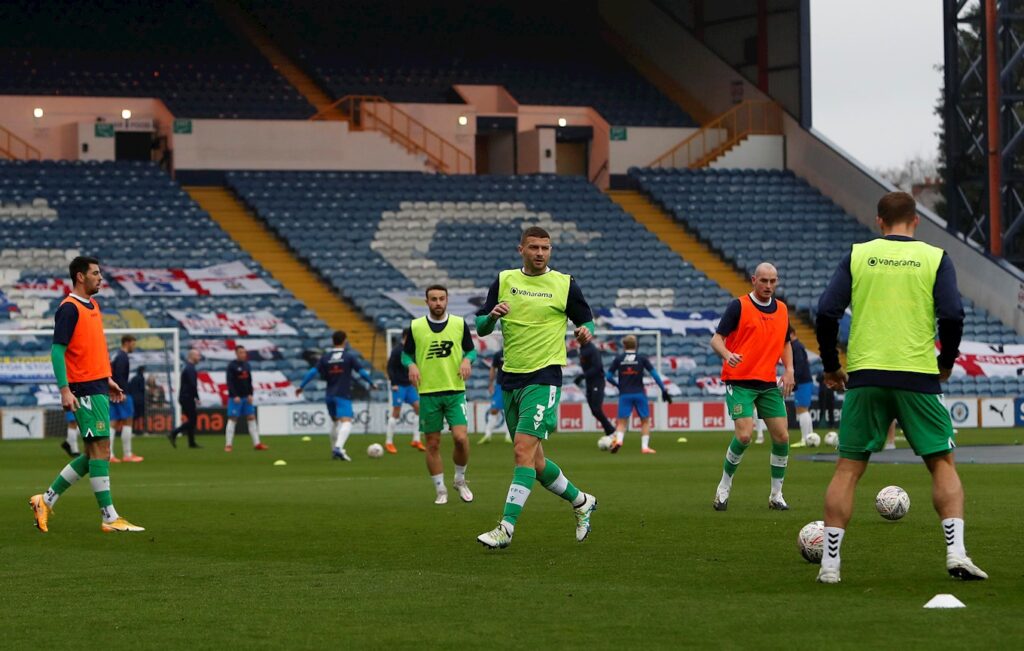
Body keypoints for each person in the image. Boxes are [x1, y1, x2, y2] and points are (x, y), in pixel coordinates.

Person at [815, 191, 986, 583]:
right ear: (916, 221)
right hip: (917, 377)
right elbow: (953, 314)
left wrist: (831, 365)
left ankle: (829, 565)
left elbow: (826, 311)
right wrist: (946, 362)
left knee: (847, 470)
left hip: (865, 376)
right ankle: (956, 553)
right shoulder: (935, 258)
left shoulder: (858, 255)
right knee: (941, 463)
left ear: (879, 221)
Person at [475, 226, 598, 549]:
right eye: (534, 247)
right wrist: (491, 315)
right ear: (521, 250)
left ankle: (506, 528)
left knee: (521, 451)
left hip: (544, 377)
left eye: (545, 247)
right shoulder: (504, 280)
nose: (540, 253)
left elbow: (587, 320)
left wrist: (586, 332)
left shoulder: (564, 283)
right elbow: (481, 327)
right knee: (536, 463)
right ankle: (582, 501)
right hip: (510, 377)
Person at [29, 255, 144, 533]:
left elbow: (92, 348)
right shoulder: (68, 309)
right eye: (95, 273)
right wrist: (64, 389)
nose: (100, 278)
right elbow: (58, 351)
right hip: (82, 388)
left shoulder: (93, 305)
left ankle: (45, 500)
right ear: (80, 276)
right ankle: (108, 517)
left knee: (97, 452)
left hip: (97, 384)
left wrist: (107, 378)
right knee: (100, 452)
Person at [710, 262, 795, 512]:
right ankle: (724, 487)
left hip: (768, 383)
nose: (769, 286)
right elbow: (716, 339)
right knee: (745, 435)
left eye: (773, 281)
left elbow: (785, 343)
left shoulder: (781, 309)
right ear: (753, 280)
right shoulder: (738, 306)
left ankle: (776, 495)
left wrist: (789, 370)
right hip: (740, 381)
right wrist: (727, 355)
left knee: (782, 436)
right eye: (764, 281)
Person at [403, 285, 476, 504]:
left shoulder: (458, 323)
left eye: (441, 298)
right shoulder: (416, 326)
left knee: (461, 439)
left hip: (455, 390)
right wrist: (411, 365)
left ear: (447, 300)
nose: (438, 303)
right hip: (428, 392)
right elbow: (406, 355)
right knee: (432, 444)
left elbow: (471, 350)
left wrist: (466, 360)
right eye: (433, 299)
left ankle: (460, 480)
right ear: (427, 302)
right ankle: (440, 489)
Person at [297, 330, 377, 461]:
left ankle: (334, 449)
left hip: (329, 396)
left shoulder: (325, 357)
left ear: (333, 341)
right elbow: (361, 372)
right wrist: (371, 383)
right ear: (344, 341)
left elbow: (312, 372)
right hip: (342, 394)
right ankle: (338, 448)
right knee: (347, 422)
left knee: (335, 422)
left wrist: (301, 386)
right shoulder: (349, 357)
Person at [607, 334, 670, 454]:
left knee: (622, 422)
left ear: (624, 345)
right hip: (639, 393)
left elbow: (608, 376)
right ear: (636, 345)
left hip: (625, 394)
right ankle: (645, 447)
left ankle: (619, 441)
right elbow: (655, 375)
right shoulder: (642, 358)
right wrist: (663, 389)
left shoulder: (619, 359)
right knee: (645, 421)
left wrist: (618, 385)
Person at [386, 328, 422, 453]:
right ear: (406, 336)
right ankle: (389, 442)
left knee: (419, 408)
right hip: (399, 385)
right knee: (396, 411)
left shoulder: (411, 350)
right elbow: (390, 367)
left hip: (409, 385)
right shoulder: (397, 350)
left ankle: (416, 439)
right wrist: (393, 383)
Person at [224, 345, 266, 452]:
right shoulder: (232, 366)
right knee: (233, 419)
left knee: (251, 417)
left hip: (246, 397)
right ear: (236, 353)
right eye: (241, 352)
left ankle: (257, 443)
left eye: (244, 352)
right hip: (236, 398)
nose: (244, 354)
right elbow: (230, 382)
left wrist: (250, 394)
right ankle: (228, 445)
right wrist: (234, 395)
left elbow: (249, 381)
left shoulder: (247, 365)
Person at [109, 334, 142, 462]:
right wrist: (121, 392)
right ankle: (127, 454)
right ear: (127, 343)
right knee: (128, 421)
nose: (134, 346)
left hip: (113, 392)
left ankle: (110, 454)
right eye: (133, 343)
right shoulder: (123, 357)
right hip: (121, 392)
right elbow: (120, 376)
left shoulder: (117, 355)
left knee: (113, 422)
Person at [576, 339, 617, 440]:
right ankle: (610, 431)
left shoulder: (592, 349)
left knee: (596, 408)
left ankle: (611, 431)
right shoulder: (582, 349)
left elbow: (597, 367)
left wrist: (582, 376)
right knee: (594, 410)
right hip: (590, 382)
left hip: (597, 382)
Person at [169, 349, 202, 448]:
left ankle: (191, 443)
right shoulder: (190, 369)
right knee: (193, 420)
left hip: (185, 397)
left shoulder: (188, 367)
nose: (199, 358)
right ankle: (174, 433)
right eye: (198, 356)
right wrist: (197, 397)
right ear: (192, 356)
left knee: (191, 420)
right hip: (187, 397)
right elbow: (193, 384)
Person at [479, 348, 512, 444]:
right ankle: (487, 435)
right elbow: (493, 368)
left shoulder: (515, 351)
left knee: (511, 411)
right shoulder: (498, 354)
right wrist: (490, 383)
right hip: (500, 386)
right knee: (494, 410)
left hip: (513, 385)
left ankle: (509, 436)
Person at [789, 327, 815, 448]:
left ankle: (805, 438)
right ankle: (810, 437)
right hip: (805, 380)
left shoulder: (796, 347)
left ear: (792, 334)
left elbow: (799, 365)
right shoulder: (798, 346)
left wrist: (795, 380)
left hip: (802, 381)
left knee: (801, 409)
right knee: (804, 409)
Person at [126, 365, 146, 435]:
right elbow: (142, 389)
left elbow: (129, 388)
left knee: (134, 415)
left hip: (133, 399)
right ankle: (140, 430)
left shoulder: (133, 378)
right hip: (140, 399)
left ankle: (133, 430)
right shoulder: (141, 378)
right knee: (140, 415)